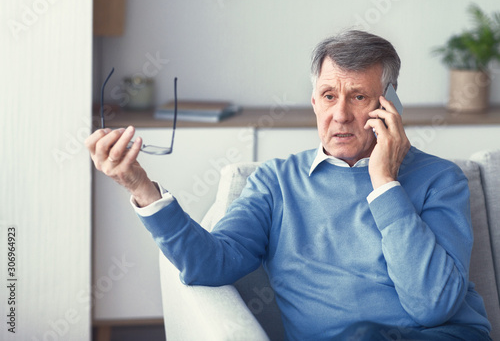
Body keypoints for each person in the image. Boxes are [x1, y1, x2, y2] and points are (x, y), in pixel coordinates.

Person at [85, 30, 492, 340]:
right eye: (329, 95)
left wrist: (384, 183)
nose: (341, 114)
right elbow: (209, 263)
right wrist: (140, 187)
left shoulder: (440, 180)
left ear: (390, 106)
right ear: (313, 102)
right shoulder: (276, 182)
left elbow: (433, 306)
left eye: (359, 97)